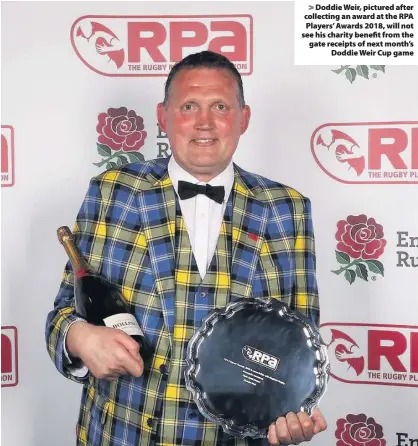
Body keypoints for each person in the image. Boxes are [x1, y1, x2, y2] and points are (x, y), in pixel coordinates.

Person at [45, 50, 327, 446]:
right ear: (163, 116)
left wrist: (294, 412)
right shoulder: (113, 191)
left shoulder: (287, 209)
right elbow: (62, 314)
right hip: (120, 435)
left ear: (243, 119)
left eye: (221, 106)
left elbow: (301, 343)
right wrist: (80, 338)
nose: (205, 122)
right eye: (189, 105)